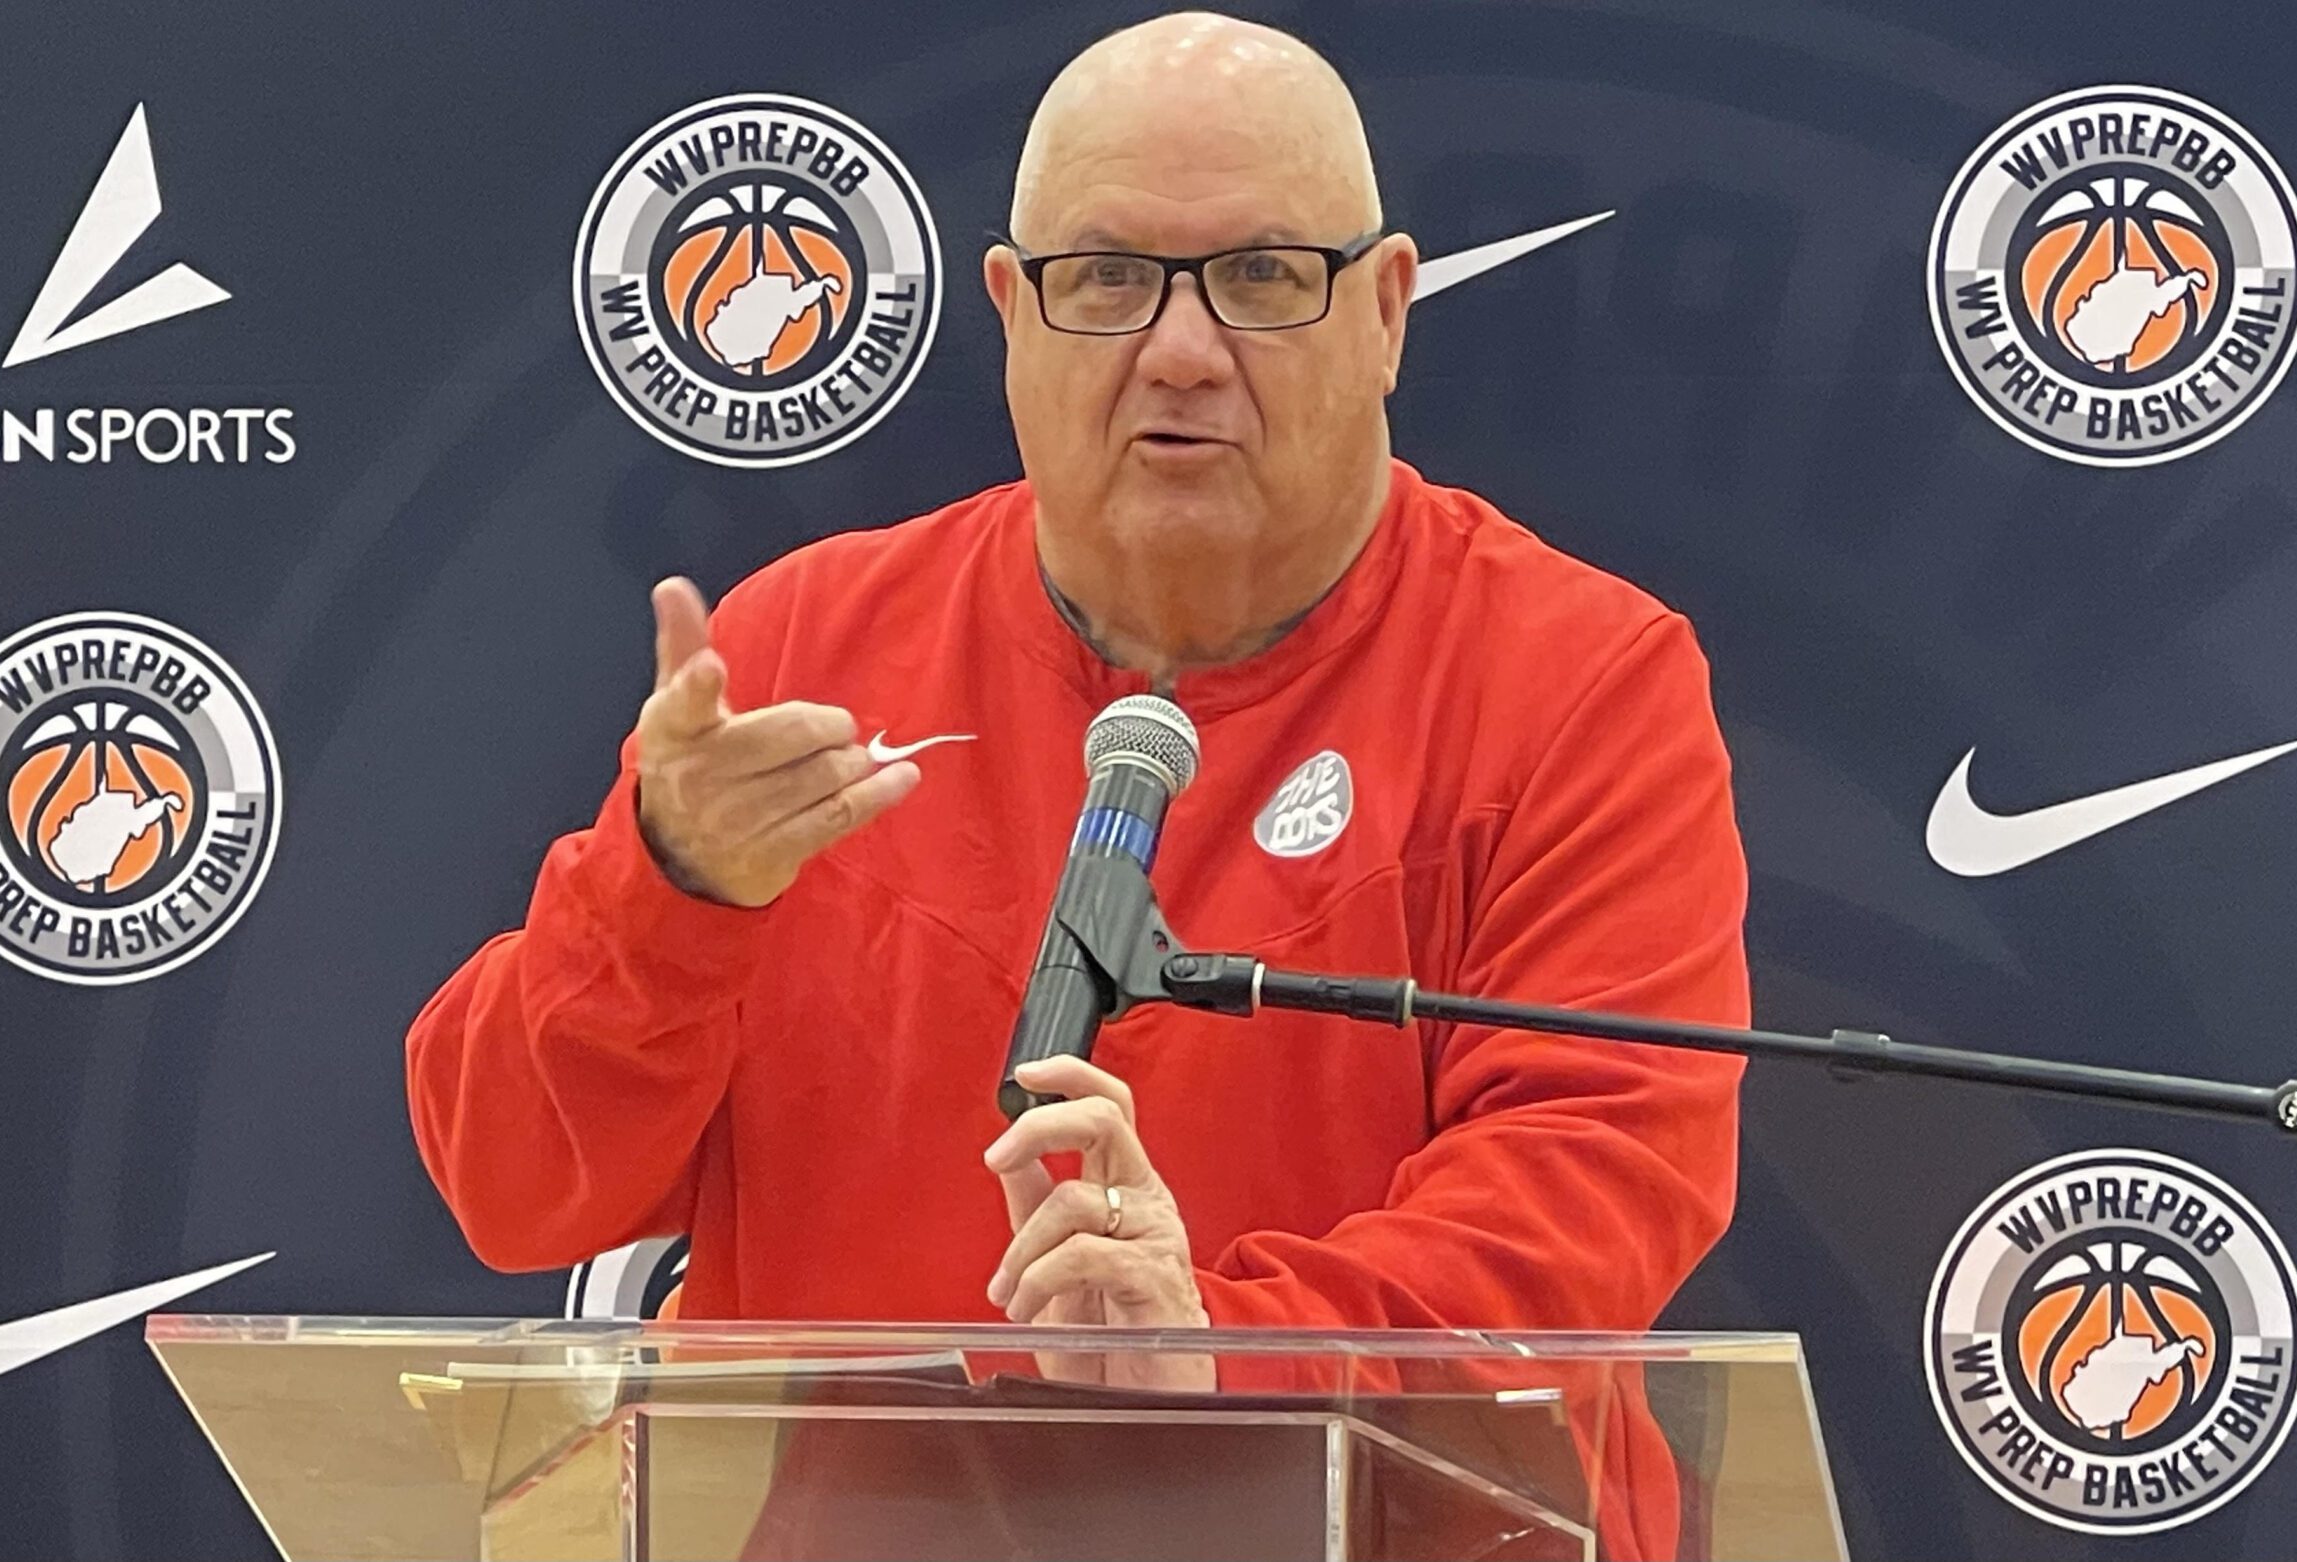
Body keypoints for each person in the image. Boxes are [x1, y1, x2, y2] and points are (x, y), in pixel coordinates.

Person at [408, 12, 1748, 1552]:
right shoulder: (802, 655)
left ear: (1386, 310)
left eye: (1263, 276)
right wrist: (666, 893)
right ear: (1011, 313)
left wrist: (1223, 1342)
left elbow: (1590, 1199)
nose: (1180, 350)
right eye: (1107, 278)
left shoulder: (1581, 681)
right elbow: (514, 1186)